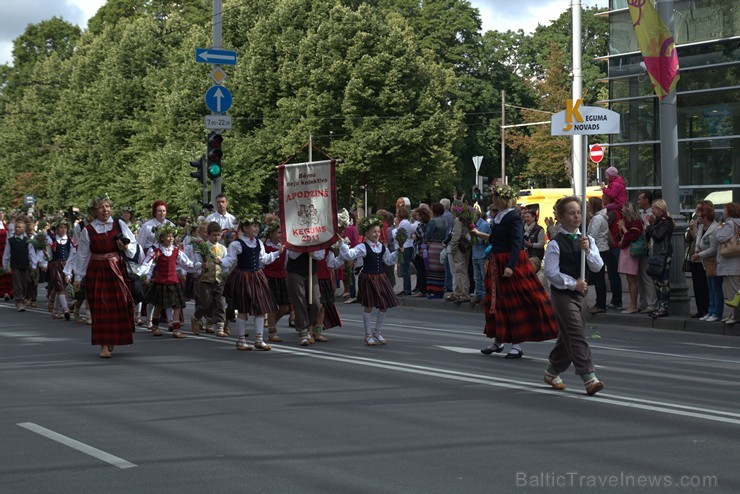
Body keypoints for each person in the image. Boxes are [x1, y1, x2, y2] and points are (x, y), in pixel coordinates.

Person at [472, 184, 559, 359]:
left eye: (495, 196)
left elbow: (516, 243)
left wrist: (511, 266)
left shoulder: (513, 217)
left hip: (510, 262)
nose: (493, 199)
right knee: (496, 303)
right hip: (497, 261)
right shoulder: (498, 217)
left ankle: (517, 345)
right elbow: (496, 240)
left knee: (515, 303)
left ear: (502, 199)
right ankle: (498, 340)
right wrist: (477, 233)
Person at [543, 196, 605, 395]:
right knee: (576, 334)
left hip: (582, 293)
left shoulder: (587, 239)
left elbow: (598, 266)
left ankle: (552, 371)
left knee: (567, 335)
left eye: (579, 212)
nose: (576, 216)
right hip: (563, 294)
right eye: (571, 213)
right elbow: (551, 273)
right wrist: (572, 283)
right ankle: (589, 377)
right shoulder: (555, 244)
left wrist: (588, 251)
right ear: (560, 217)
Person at [73, 195, 138, 358]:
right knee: (101, 307)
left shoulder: (119, 224)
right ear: (94, 211)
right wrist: (78, 277)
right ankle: (103, 344)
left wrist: (125, 247)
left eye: (107, 206)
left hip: (117, 270)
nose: (105, 210)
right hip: (98, 271)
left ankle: (112, 339)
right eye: (101, 207)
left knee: (118, 305)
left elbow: (133, 246)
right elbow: (82, 255)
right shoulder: (88, 231)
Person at [221, 215, 283, 351]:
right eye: (253, 226)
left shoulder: (258, 243)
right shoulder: (237, 244)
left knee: (261, 309)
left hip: (257, 276)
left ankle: (259, 340)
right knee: (242, 309)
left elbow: (264, 259)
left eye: (257, 226)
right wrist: (219, 261)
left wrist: (277, 253)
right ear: (245, 228)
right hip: (243, 276)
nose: (256, 228)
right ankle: (241, 340)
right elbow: (229, 260)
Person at [339, 215, 402, 346]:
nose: (377, 234)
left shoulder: (381, 246)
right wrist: (343, 244)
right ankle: (368, 335)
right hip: (368, 277)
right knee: (369, 307)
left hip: (381, 277)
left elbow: (388, 260)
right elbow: (349, 255)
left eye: (378, 231)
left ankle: (377, 332)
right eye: (374, 231)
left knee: (384, 306)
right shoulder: (363, 247)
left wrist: (397, 252)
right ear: (367, 233)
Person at [141, 224, 199, 338]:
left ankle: (176, 328)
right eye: (168, 236)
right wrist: (145, 275)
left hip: (173, 281)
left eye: (172, 236)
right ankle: (155, 326)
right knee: (158, 305)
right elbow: (148, 264)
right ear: (162, 238)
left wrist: (197, 266)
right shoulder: (156, 251)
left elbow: (186, 263)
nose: (171, 238)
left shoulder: (176, 251)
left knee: (177, 305)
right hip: (161, 282)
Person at [189, 221, 228, 336]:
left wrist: (225, 274)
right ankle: (195, 319)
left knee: (220, 303)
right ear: (208, 235)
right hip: (206, 280)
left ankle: (220, 327)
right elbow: (196, 262)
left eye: (218, 235)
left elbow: (226, 263)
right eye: (214, 235)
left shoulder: (223, 248)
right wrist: (201, 265)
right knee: (205, 304)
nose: (216, 238)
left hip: (219, 280)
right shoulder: (203, 247)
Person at [645, 199, 675, 318]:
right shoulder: (657, 222)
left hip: (663, 254)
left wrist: (649, 226)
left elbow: (658, 236)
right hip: (655, 253)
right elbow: (650, 236)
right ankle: (659, 305)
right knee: (656, 282)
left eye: (654, 209)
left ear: (660, 209)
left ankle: (664, 307)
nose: (652, 211)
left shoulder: (666, 222)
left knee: (663, 282)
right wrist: (649, 227)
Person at [692, 202, 721, 321]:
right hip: (705, 262)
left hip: (713, 261)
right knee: (709, 288)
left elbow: (714, 249)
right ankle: (710, 310)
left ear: (706, 216)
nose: (698, 218)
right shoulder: (701, 227)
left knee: (715, 288)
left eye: (700, 215)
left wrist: (699, 255)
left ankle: (716, 312)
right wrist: (696, 249)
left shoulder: (715, 228)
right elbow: (698, 240)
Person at [262, 220, 290, 342]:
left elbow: (287, 261)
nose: (281, 235)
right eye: (279, 232)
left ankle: (271, 323)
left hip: (282, 276)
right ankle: (272, 332)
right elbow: (263, 262)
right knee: (272, 307)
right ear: (271, 233)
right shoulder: (265, 246)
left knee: (285, 308)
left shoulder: (284, 246)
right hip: (269, 277)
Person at [2, 217, 35, 311]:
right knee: (17, 284)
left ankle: (23, 297)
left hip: (24, 265)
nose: (17, 229)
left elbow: (31, 253)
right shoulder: (10, 240)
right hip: (15, 265)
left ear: (24, 229)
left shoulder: (27, 240)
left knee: (25, 283)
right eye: (16, 227)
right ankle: (18, 301)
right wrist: (5, 266)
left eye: (19, 227)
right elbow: (6, 253)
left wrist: (33, 264)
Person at [44, 220, 74, 320]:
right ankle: (65, 309)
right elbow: (49, 257)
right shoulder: (51, 240)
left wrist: (71, 268)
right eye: (60, 228)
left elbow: (72, 255)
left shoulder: (69, 241)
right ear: (56, 230)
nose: (63, 230)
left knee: (62, 287)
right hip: (55, 265)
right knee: (59, 286)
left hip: (66, 264)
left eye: (65, 228)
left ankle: (55, 310)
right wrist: (46, 256)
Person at [616, 202, 644, 314]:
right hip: (626, 250)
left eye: (624, 208)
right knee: (629, 278)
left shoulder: (636, 222)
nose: (622, 210)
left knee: (632, 279)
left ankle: (634, 305)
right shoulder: (629, 221)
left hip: (630, 251)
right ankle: (633, 304)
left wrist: (622, 227)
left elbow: (631, 236)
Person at [716, 202, 739, 325]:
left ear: (730, 212)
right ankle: (732, 314)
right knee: (736, 290)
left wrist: (719, 228)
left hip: (731, 263)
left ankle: (734, 316)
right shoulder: (738, 223)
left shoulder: (730, 224)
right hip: (737, 261)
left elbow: (720, 237)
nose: (723, 212)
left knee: (732, 291)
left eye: (725, 210)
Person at [686, 201, 710, 318]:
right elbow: (689, 240)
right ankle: (700, 309)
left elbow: (702, 242)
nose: (696, 211)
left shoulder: (708, 225)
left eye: (698, 209)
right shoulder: (697, 222)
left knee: (704, 285)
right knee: (696, 285)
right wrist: (691, 230)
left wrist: (694, 231)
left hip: (703, 258)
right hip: (694, 257)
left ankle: (706, 308)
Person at [586, 197, 609, 314]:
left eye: (589, 204)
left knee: (598, 279)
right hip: (602, 248)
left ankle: (600, 304)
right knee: (599, 279)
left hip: (598, 250)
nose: (587, 206)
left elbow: (592, 236)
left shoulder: (597, 219)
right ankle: (600, 303)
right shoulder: (600, 217)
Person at [636, 191, 657, 312]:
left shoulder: (651, 214)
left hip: (648, 248)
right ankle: (642, 302)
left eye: (640, 199)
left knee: (647, 276)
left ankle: (651, 303)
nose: (638, 201)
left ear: (646, 200)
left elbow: (646, 230)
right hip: (640, 248)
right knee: (640, 277)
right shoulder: (640, 213)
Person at [602, 193, 623, 310]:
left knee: (613, 274)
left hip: (612, 246)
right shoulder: (616, 212)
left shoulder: (611, 213)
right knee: (613, 274)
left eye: (604, 197)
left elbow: (603, 226)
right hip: (614, 246)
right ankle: (616, 300)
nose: (602, 200)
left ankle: (616, 300)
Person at [447, 201, 471, 304]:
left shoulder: (458, 220)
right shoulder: (466, 219)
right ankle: (458, 292)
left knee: (460, 271)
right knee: (462, 270)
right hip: (466, 247)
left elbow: (456, 236)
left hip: (459, 248)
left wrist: (452, 249)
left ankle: (463, 293)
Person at [424, 203, 448, 299]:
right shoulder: (444, 221)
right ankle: (439, 290)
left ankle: (432, 290)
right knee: (440, 271)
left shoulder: (433, 221)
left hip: (433, 246)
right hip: (441, 246)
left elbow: (428, 234)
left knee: (432, 270)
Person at [393, 206, 417, 296]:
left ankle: (407, 289)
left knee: (405, 269)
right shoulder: (406, 222)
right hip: (407, 246)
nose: (396, 214)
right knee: (405, 268)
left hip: (405, 247)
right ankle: (406, 288)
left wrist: (395, 228)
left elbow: (398, 235)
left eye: (397, 212)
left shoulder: (403, 223)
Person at [471, 209, 491, 305]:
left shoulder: (483, 225)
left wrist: (467, 236)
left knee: (484, 277)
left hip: (482, 254)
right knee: (476, 277)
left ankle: (485, 296)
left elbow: (479, 240)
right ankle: (478, 295)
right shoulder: (474, 224)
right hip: (475, 253)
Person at [0, 209, 14, 301]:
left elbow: (10, 236)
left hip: (5, 250)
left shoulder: (5, 225)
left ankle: (8, 292)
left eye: (1, 213)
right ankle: (3, 292)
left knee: (8, 272)